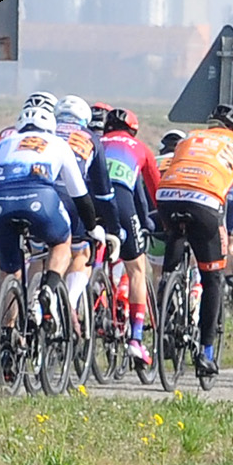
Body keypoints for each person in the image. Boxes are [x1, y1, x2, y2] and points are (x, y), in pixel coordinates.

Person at [151, 106, 233, 378]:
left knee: (175, 246)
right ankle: (206, 353)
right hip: (205, 202)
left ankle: (167, 302)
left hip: (167, 197)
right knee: (212, 278)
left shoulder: (190, 137)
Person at [0, 95, 93, 323]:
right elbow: (79, 194)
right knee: (61, 243)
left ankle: (7, 330)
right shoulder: (59, 143)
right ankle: (49, 287)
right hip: (40, 198)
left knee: (10, 269)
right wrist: (91, 227)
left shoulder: (3, 143)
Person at [85, 103, 160, 367]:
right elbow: (155, 191)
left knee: (82, 253)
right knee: (137, 269)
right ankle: (136, 340)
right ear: (133, 131)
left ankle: (89, 292)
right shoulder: (141, 148)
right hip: (121, 199)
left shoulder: (95, 142)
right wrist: (158, 221)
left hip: (89, 199)